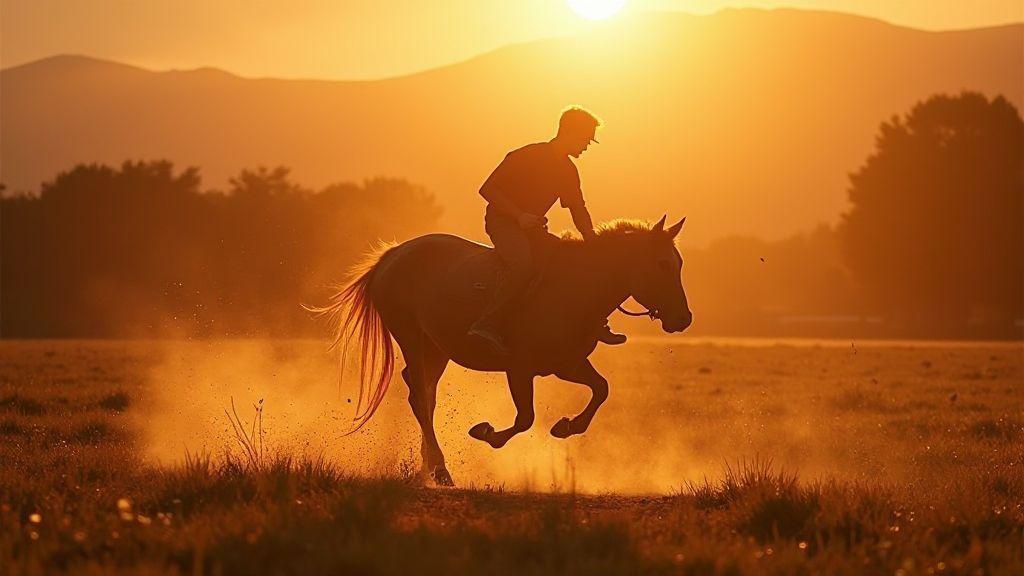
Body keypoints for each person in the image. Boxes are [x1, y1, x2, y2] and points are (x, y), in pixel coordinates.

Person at [467, 106, 627, 354]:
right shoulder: (525, 155)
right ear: (570, 133)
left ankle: (595, 323)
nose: (586, 147)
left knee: (570, 262)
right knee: (522, 265)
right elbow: (487, 189)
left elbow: (577, 208)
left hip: (533, 230)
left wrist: (591, 239)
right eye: (586, 140)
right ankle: (487, 324)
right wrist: (519, 216)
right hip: (503, 224)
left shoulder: (568, 171)